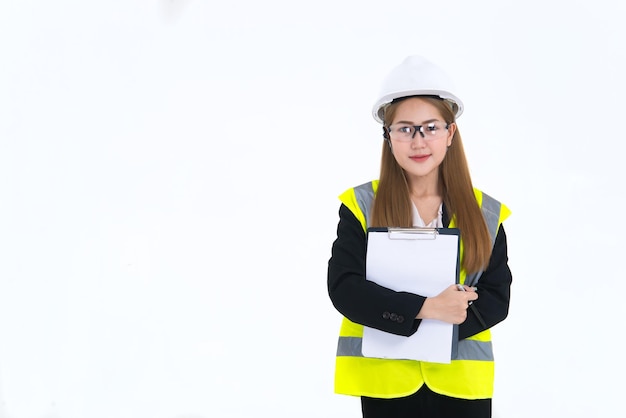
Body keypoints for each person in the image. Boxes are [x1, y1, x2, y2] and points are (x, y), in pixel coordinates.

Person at [327, 55, 513, 418]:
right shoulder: (360, 205)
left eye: (430, 127)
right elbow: (344, 287)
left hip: (460, 385)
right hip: (386, 384)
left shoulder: (485, 211)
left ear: (450, 133)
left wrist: (441, 331)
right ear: (388, 137)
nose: (418, 140)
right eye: (405, 128)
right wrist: (428, 309)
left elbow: (497, 296)